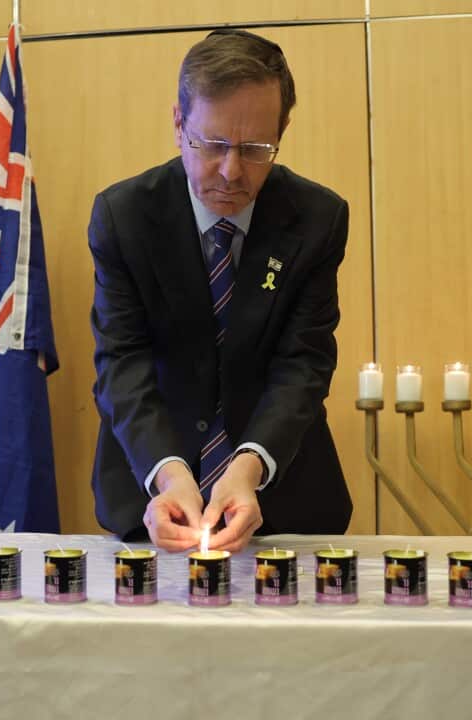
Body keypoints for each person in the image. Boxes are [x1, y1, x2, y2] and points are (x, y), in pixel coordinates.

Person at [88, 29, 351, 553]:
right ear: (178, 123)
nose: (232, 171)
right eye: (212, 145)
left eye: (256, 149)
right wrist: (168, 473)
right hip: (158, 504)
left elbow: (303, 364)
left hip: (286, 499)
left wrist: (249, 467)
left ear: (283, 131)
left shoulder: (317, 219)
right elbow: (123, 361)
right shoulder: (125, 217)